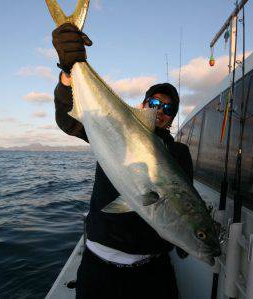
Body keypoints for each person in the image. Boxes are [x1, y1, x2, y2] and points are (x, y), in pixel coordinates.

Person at [52, 23, 193, 299]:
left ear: (172, 118)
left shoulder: (179, 153)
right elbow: (68, 120)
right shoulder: (113, 129)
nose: (160, 111)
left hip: (152, 271)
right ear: (142, 105)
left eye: (168, 109)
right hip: (99, 268)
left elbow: (180, 202)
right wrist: (69, 73)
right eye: (154, 103)